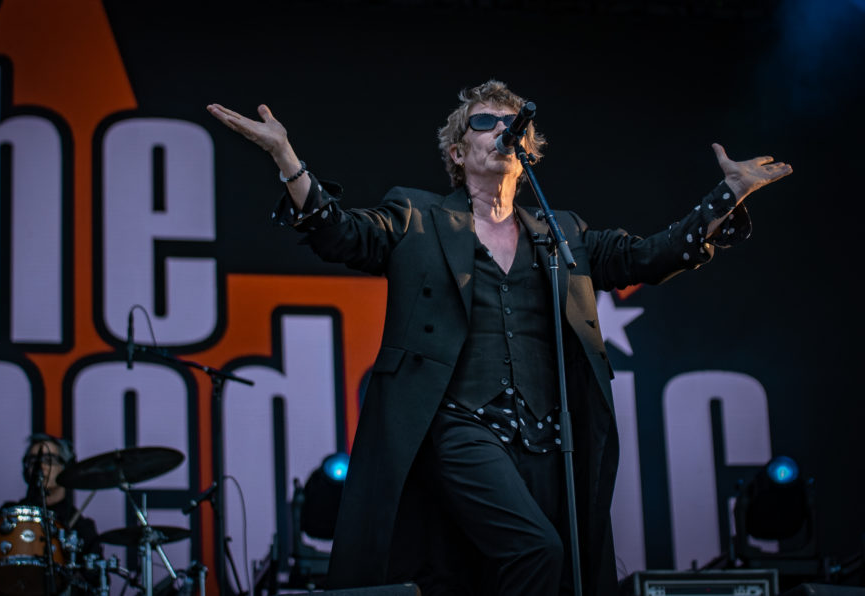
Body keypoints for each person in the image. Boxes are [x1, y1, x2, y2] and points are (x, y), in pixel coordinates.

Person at [207, 80, 792, 596]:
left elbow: (648, 256)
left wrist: (727, 195)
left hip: (547, 438)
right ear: (458, 152)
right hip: (461, 425)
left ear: (527, 150)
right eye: (484, 122)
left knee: (552, 574)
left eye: (513, 124)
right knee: (537, 549)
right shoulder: (418, 216)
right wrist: (286, 157)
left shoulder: (562, 234)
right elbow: (340, 234)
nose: (501, 130)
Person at [0, 434, 102, 595]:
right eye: (34, 461)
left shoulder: (81, 526)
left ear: (66, 467)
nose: (41, 466)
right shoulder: (9, 515)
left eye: (49, 460)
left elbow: (97, 583)